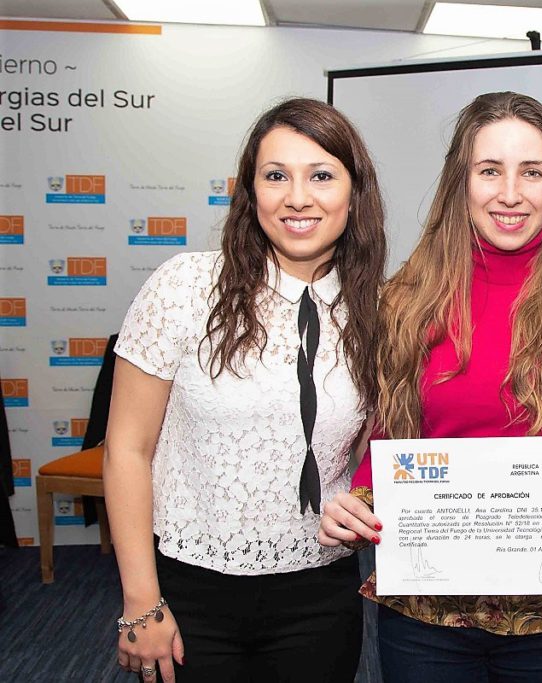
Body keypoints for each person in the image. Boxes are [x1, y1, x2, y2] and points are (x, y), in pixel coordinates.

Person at [318, 91, 542, 682]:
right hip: (426, 617)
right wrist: (360, 503)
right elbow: (385, 440)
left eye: (532, 172)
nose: (510, 193)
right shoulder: (404, 303)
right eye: (489, 171)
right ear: (460, 183)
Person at [104, 97, 386, 682]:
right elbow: (126, 450)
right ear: (250, 191)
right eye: (276, 175)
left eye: (322, 176)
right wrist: (141, 601)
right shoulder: (185, 286)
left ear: (355, 193)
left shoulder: (380, 311)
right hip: (188, 592)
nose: (298, 197)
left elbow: (372, 452)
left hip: (321, 593)